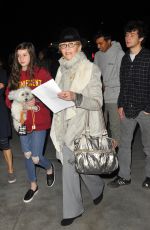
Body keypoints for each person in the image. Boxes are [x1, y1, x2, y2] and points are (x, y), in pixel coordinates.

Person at [50, 27, 105, 226]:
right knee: (77, 165)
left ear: (79, 46)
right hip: (64, 123)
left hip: (83, 125)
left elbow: (97, 102)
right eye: (63, 46)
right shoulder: (60, 69)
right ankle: (97, 186)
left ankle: (72, 210)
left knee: (74, 164)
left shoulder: (91, 69)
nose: (67, 49)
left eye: (71, 45)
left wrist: (76, 97)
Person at [6, 42, 55, 203]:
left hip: (40, 121)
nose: (21, 58)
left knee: (36, 156)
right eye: (18, 55)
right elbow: (8, 98)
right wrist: (20, 105)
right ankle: (33, 185)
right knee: (27, 155)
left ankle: (48, 167)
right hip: (22, 122)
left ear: (31, 55)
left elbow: (53, 95)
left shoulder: (42, 73)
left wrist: (37, 103)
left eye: (24, 54)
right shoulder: (15, 75)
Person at [107, 20, 150, 189]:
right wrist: (120, 104)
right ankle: (124, 176)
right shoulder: (125, 59)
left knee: (148, 146)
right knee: (124, 144)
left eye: (132, 35)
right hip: (127, 108)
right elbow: (123, 84)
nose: (128, 38)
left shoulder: (148, 57)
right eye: (126, 34)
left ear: (141, 38)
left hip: (145, 110)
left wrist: (148, 108)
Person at [94, 29, 125, 146]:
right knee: (100, 128)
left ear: (109, 41)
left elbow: (123, 78)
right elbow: (96, 75)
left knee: (115, 129)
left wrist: (106, 84)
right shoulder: (97, 55)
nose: (98, 46)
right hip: (100, 98)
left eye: (101, 43)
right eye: (97, 43)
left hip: (114, 97)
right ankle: (103, 156)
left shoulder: (119, 54)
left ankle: (116, 158)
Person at [0, 60, 16, 183]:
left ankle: (10, 170)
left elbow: (1, 87)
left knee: (4, 143)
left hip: (1, 114)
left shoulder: (2, 72)